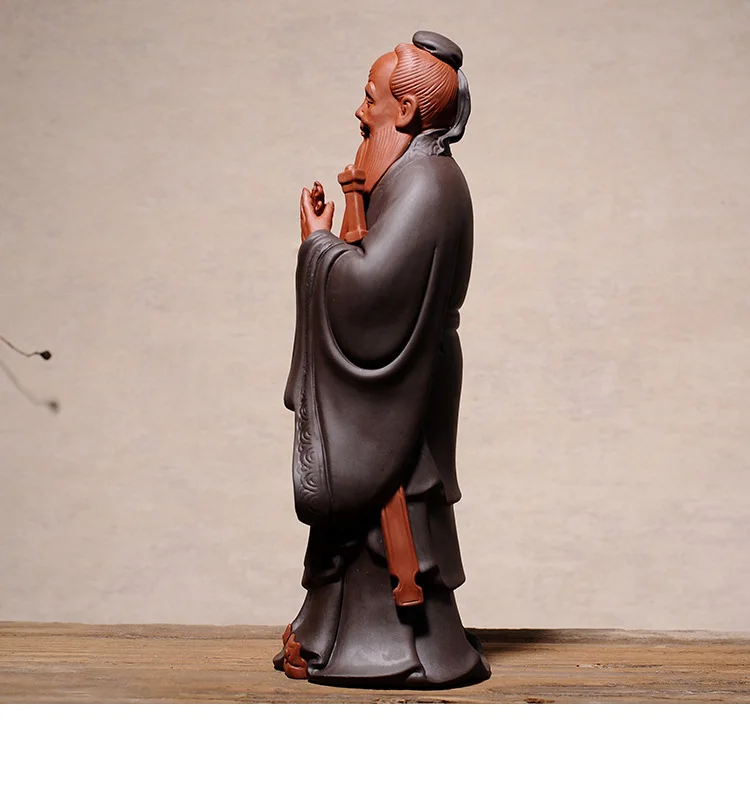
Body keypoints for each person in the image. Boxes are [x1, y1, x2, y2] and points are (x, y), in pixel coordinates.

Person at [274, 31, 490, 688]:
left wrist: (317, 250)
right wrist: (340, 236)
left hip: (403, 372)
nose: (360, 112)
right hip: (400, 366)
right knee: (364, 518)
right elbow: (375, 270)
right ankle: (334, 631)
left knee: (399, 500)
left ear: (407, 110)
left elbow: (372, 296)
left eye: (371, 99)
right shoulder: (407, 174)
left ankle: (405, 647)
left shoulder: (426, 183)